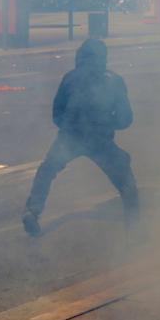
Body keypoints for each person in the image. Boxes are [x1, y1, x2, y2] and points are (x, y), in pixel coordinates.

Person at [21, 39, 139, 237]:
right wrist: (107, 125)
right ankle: (136, 232)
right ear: (103, 57)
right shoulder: (114, 80)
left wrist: (69, 127)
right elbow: (126, 119)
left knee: (47, 170)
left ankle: (32, 211)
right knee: (127, 183)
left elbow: (56, 112)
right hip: (100, 140)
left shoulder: (70, 77)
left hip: (69, 137)